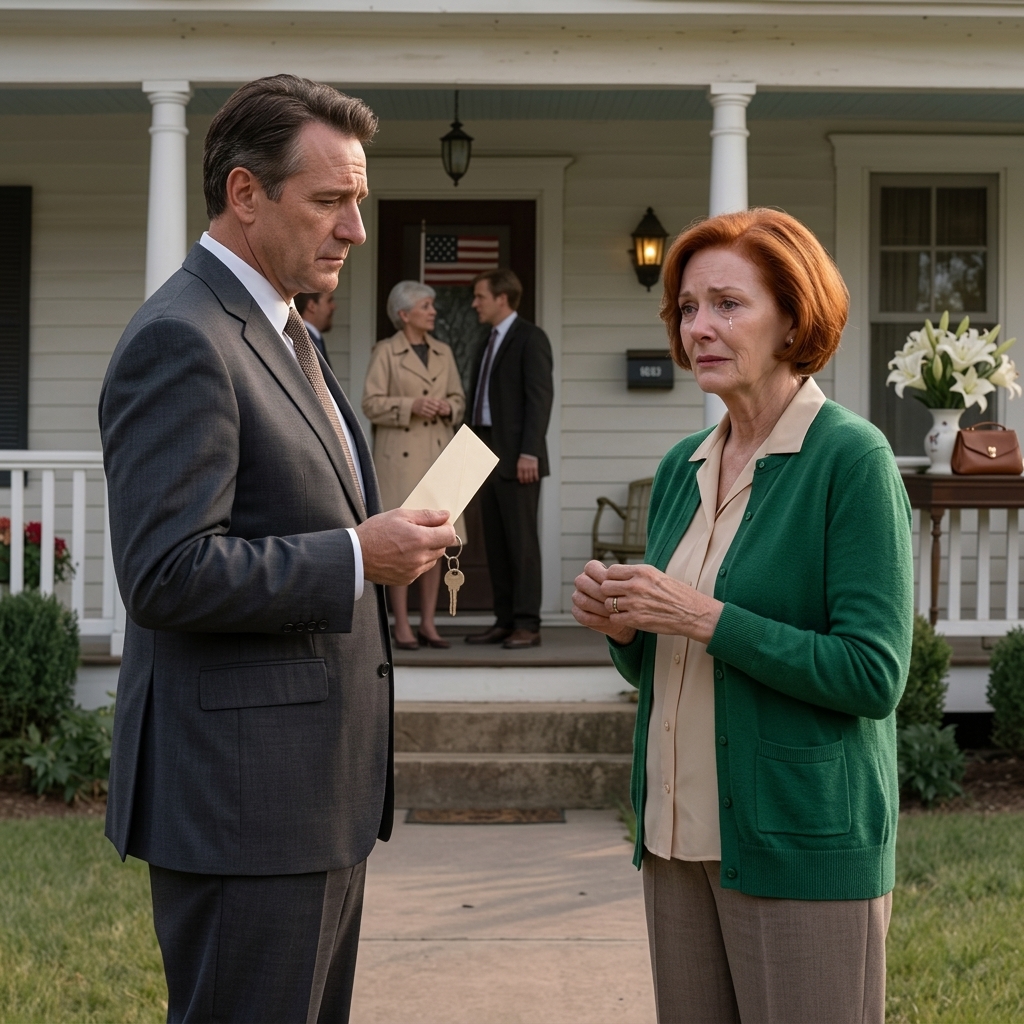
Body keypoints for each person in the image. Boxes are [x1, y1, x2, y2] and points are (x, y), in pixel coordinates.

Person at [99, 75, 455, 1024]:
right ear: (246, 194)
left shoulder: (286, 331)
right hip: (241, 807)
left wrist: (381, 547)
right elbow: (166, 574)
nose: (354, 230)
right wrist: (355, 558)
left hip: (311, 799)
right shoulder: (182, 339)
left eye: (358, 203)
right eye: (330, 202)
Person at [572, 208, 914, 1024]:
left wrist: (704, 616)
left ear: (793, 317)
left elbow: (873, 675)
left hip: (800, 843)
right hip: (673, 841)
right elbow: (664, 656)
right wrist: (625, 628)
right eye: (688, 308)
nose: (700, 327)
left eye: (729, 304)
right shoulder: (682, 468)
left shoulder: (851, 459)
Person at [362, 281, 466, 650]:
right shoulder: (387, 353)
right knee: (403, 542)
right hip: (400, 458)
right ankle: (401, 625)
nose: (433, 311)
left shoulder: (443, 352)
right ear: (404, 314)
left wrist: (448, 407)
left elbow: (458, 399)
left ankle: (428, 624)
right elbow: (371, 403)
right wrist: (411, 406)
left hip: (438, 454)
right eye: (426, 306)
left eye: (433, 305)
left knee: (437, 542)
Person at [464, 268, 553, 649]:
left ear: (502, 298)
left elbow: (539, 398)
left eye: (480, 296)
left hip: (519, 456)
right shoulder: (486, 340)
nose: (474, 303)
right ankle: (504, 619)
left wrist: (529, 451)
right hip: (482, 448)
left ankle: (527, 624)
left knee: (521, 542)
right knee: (495, 542)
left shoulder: (530, 338)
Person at [295, 290, 335, 364]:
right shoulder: (303, 340)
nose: (333, 306)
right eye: (329, 301)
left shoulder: (315, 338)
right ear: (311, 306)